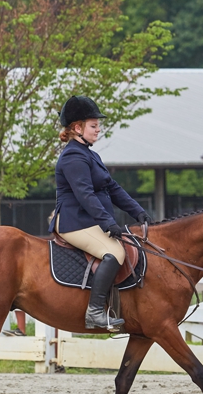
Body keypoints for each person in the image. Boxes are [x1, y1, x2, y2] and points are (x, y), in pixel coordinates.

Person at [49, 96, 151, 332]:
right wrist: (108, 222)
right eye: (94, 125)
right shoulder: (73, 157)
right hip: (74, 222)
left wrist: (138, 211)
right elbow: (85, 195)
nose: (99, 129)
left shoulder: (90, 154)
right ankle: (95, 312)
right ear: (77, 128)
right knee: (115, 252)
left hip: (88, 221)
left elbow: (112, 187)